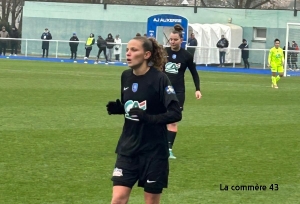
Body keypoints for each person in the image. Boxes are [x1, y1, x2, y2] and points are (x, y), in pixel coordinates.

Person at [106, 36, 182, 204]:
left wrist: (148, 118)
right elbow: (135, 108)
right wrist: (121, 109)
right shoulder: (126, 76)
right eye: (127, 50)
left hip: (154, 152)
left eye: (134, 50)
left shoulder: (159, 79)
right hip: (128, 148)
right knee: (118, 199)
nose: (128, 53)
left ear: (147, 54)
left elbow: (176, 113)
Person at [163, 24, 202, 159]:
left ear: (181, 40)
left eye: (175, 39)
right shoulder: (163, 52)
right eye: (171, 39)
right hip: (161, 91)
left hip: (178, 92)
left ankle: (168, 150)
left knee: (173, 121)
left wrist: (197, 89)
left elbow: (194, 73)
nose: (172, 42)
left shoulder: (186, 55)